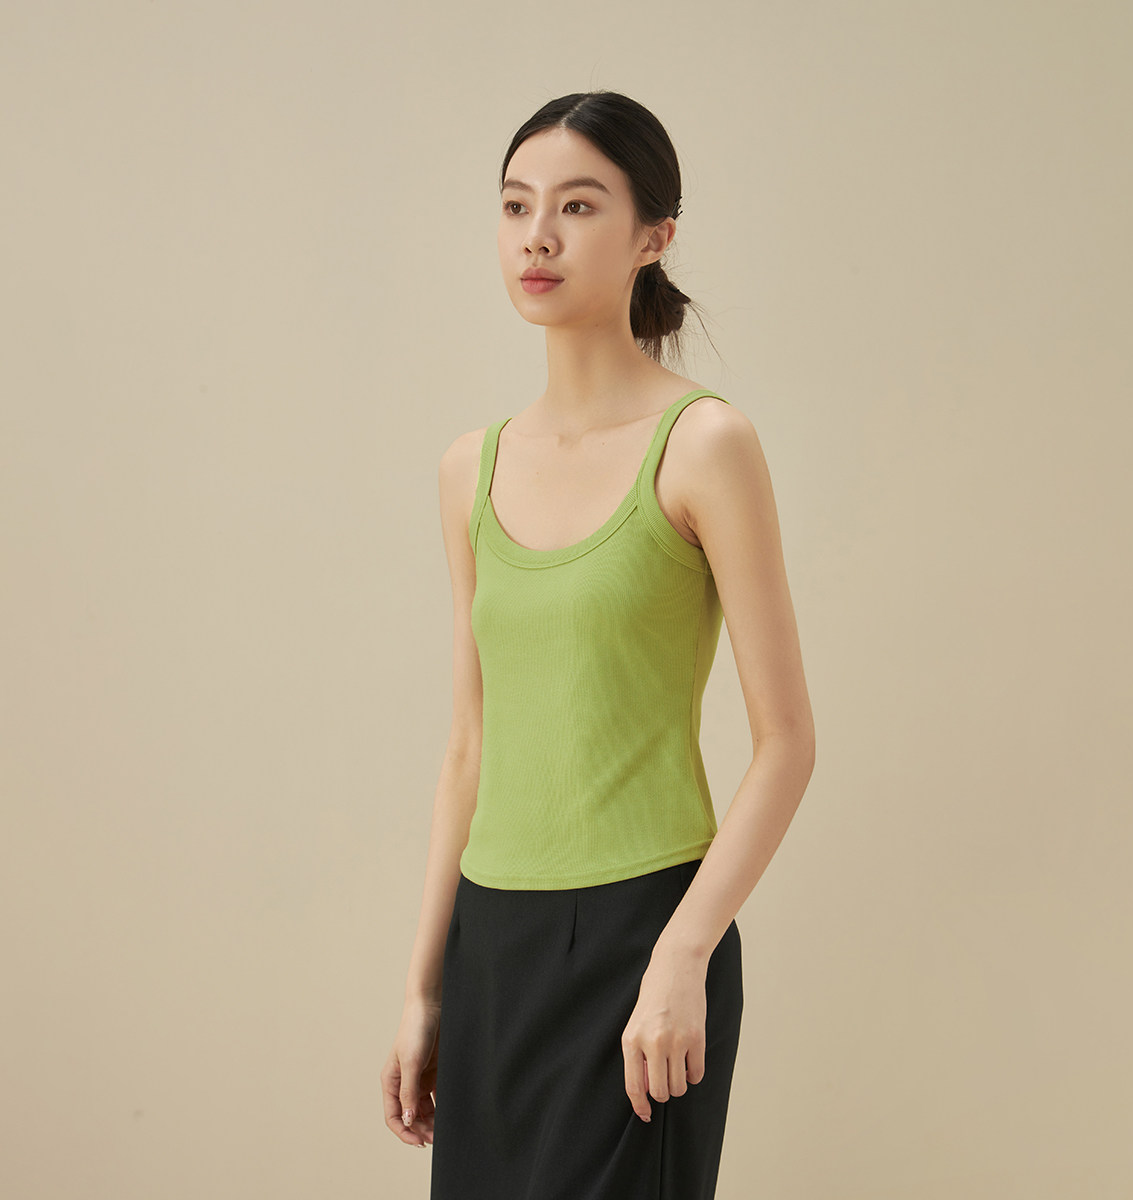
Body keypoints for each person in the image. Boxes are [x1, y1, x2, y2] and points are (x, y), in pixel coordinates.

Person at [381, 89, 815, 1199]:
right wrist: (426, 987)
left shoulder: (703, 445)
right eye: (516, 205)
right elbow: (469, 748)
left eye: (577, 206)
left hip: (642, 938)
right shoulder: (468, 469)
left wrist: (685, 953)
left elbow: (786, 743)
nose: (538, 235)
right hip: (491, 947)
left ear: (653, 236)